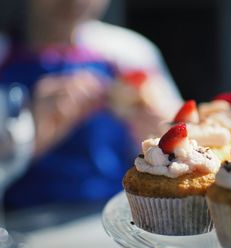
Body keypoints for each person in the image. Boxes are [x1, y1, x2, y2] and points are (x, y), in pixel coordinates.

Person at [0, 0, 183, 209]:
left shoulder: (131, 54)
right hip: (20, 219)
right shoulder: (5, 55)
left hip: (121, 212)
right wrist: (26, 135)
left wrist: (160, 132)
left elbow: (187, 146)